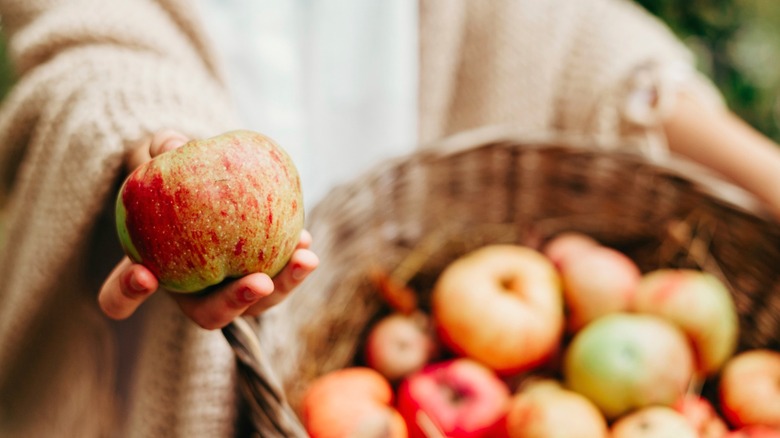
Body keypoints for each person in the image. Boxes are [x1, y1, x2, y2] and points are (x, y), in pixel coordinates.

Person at [1, 0, 780, 437]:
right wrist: (154, 141)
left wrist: (763, 174)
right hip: (235, 345)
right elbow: (92, 39)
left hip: (398, 246)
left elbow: (557, 30)